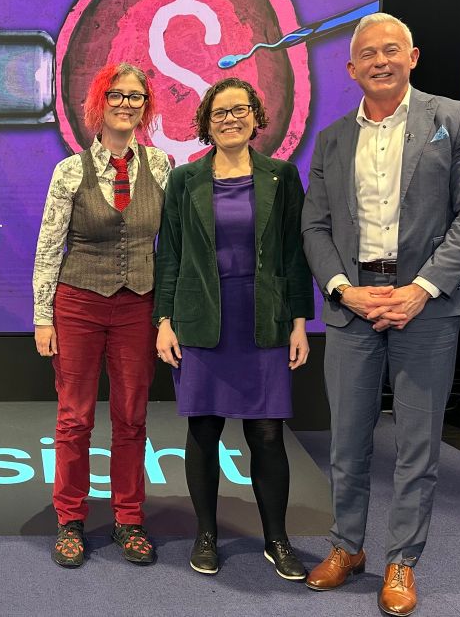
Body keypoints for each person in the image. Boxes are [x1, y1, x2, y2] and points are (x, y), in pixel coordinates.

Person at [301, 13, 460, 616]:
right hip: (354, 307)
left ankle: (402, 561)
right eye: (368, 54)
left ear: (413, 57)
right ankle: (347, 547)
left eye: (392, 50)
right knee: (348, 441)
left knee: (417, 447)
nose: (380, 61)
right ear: (351, 67)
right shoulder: (333, 138)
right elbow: (315, 225)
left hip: (427, 309)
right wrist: (342, 289)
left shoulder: (454, 119)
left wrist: (423, 288)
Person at [153, 77, 314, 581]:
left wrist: (299, 322)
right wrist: (164, 320)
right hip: (200, 316)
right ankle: (206, 535)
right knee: (203, 428)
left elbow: (293, 253)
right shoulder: (185, 180)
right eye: (220, 112)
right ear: (206, 121)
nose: (230, 119)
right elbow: (171, 254)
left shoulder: (282, 176)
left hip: (262, 316)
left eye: (239, 110)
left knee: (267, 434)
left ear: (255, 116)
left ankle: (277, 540)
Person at [32, 62, 170, 568]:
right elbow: (49, 247)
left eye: (136, 96)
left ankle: (128, 518)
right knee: (75, 418)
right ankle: (69, 518)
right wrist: (42, 317)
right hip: (78, 304)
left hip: (139, 304)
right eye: (117, 94)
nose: (126, 103)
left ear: (145, 106)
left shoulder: (161, 166)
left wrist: (167, 312)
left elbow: (169, 246)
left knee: (132, 417)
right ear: (99, 101)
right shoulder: (69, 170)